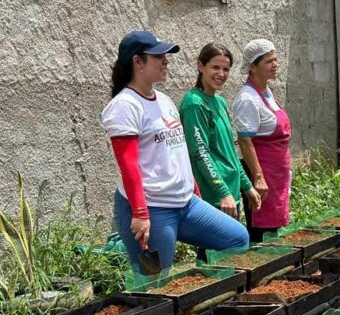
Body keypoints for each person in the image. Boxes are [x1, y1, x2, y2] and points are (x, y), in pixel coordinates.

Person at [101, 31, 248, 275]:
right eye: (158, 56)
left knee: (236, 238)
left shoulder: (165, 100)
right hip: (153, 208)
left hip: (186, 204)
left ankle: (206, 299)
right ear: (138, 62)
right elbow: (128, 164)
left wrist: (194, 189)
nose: (166, 60)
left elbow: (178, 150)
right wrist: (139, 213)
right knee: (155, 282)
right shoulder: (124, 106)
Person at [179, 42, 262, 223]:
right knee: (213, 251)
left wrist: (247, 186)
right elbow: (200, 153)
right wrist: (222, 192)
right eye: (215, 67)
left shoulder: (220, 102)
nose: (221, 74)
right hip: (214, 196)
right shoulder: (194, 103)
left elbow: (230, 152)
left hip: (231, 194)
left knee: (232, 250)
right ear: (200, 66)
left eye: (226, 69)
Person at [232, 39, 292, 242]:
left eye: (276, 60)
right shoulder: (247, 99)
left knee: (275, 226)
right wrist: (258, 177)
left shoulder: (266, 92)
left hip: (277, 172)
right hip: (262, 171)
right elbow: (245, 141)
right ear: (252, 66)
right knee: (261, 227)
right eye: (268, 61)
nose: (275, 65)